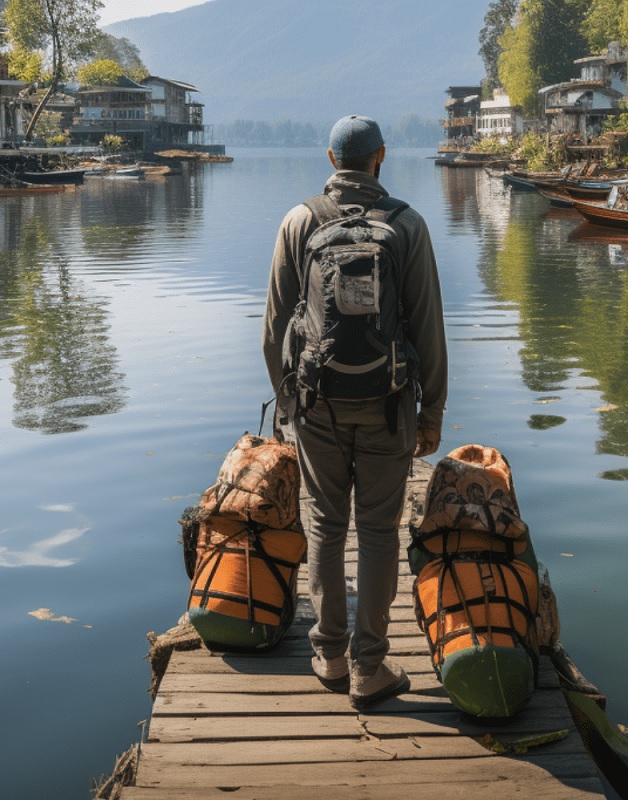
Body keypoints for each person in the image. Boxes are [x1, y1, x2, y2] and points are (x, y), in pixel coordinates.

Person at [262, 114, 447, 708]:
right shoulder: (408, 225)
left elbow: (272, 331)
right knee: (375, 530)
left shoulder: (299, 221)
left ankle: (330, 654)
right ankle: (371, 667)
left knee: (324, 524)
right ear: (381, 158)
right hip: (390, 404)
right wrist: (432, 412)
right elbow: (428, 329)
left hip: (317, 404)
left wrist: (290, 407)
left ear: (330, 158)